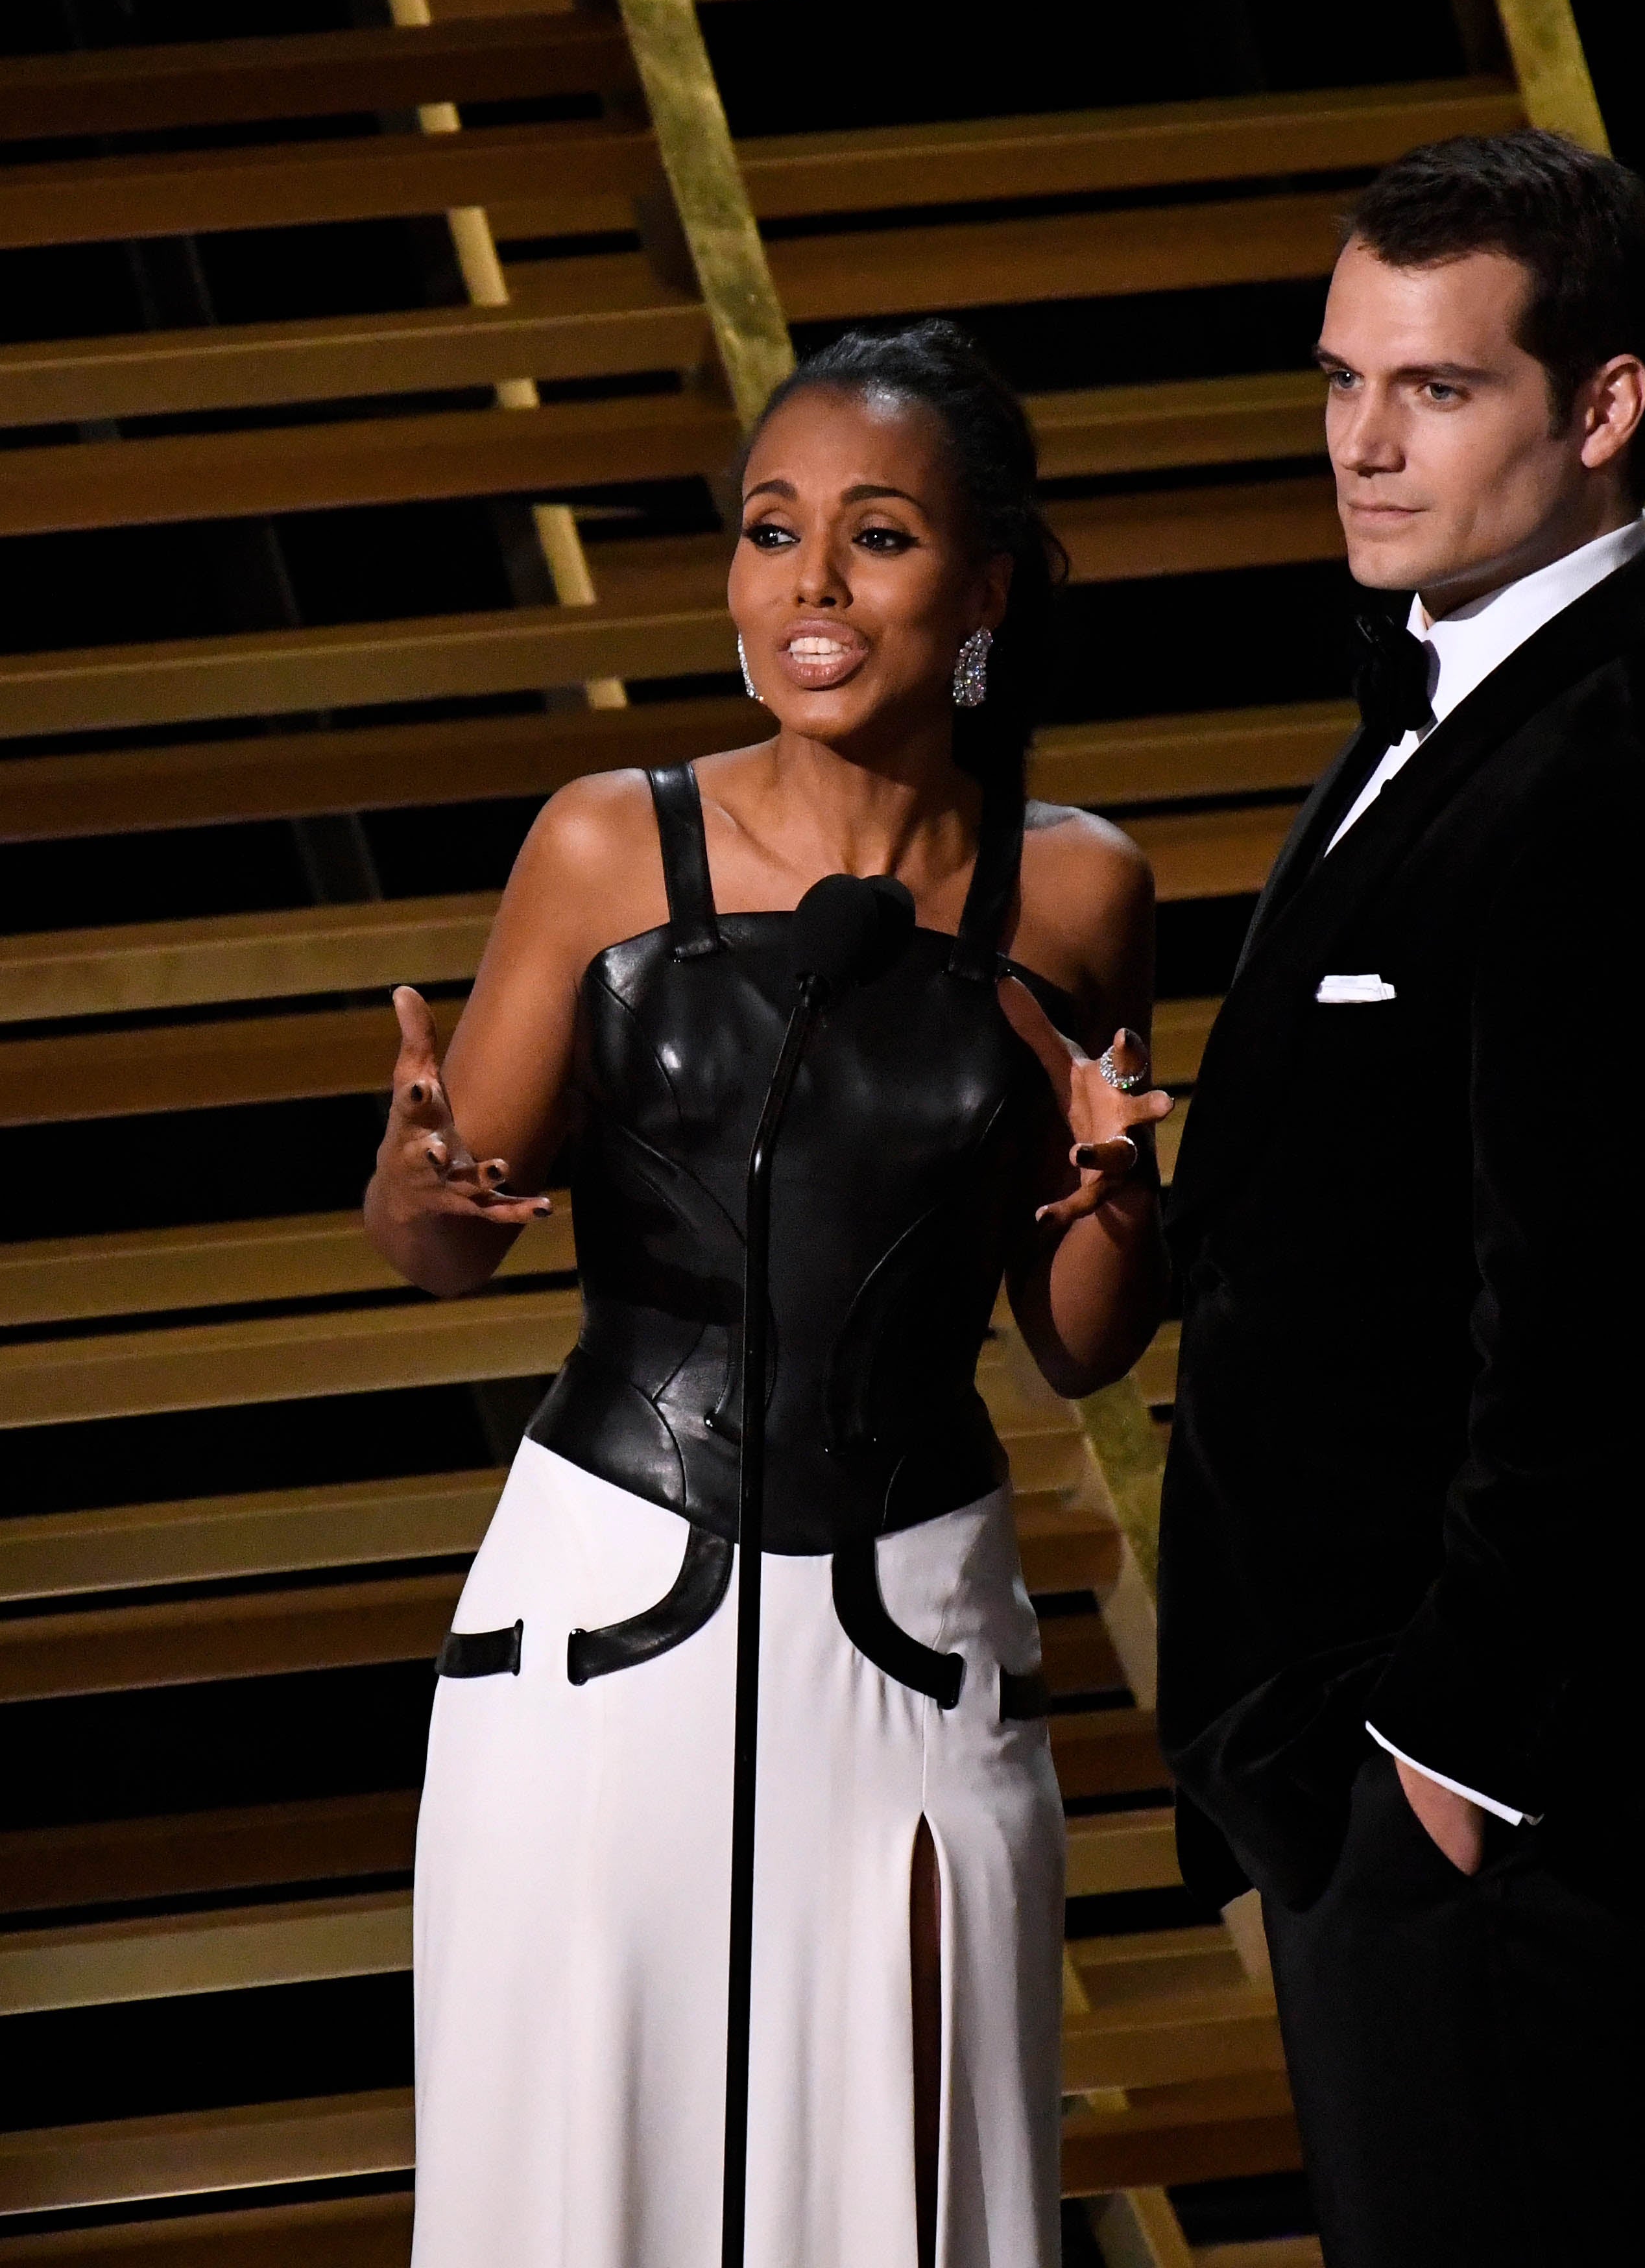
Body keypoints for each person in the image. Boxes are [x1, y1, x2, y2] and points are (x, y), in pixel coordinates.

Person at [369, 319, 1168, 2268]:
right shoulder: (601, 843)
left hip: (907, 1638)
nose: (807, 586)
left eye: (874, 537)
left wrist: (1129, 1198)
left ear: (981, 592)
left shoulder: (1076, 893)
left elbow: (1076, 1343)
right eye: (770, 529)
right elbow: (447, 1228)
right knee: (584, 2178)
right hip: (602, 1618)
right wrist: (416, 1186)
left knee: (891, 2185)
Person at [1155, 128, 1645, 2264]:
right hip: (1373, 1754)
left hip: (1481, 1766)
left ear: (1603, 407)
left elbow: (1603, 1328)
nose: (1362, 441)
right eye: (1341, 380)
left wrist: (1442, 1750)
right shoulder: (1447, 708)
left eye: (1433, 389)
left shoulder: (1615, 765)